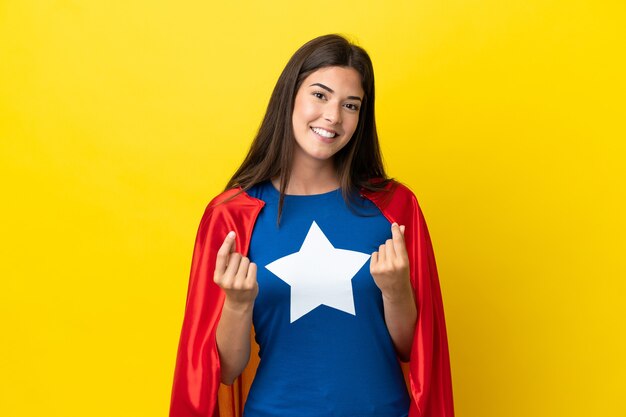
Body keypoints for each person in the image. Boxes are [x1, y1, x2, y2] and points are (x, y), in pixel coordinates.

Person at [169, 34, 454, 417]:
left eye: (350, 105)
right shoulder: (234, 215)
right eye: (320, 95)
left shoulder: (394, 207)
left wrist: (396, 290)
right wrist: (237, 304)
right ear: (289, 96)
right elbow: (225, 371)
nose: (333, 116)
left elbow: (411, 350)